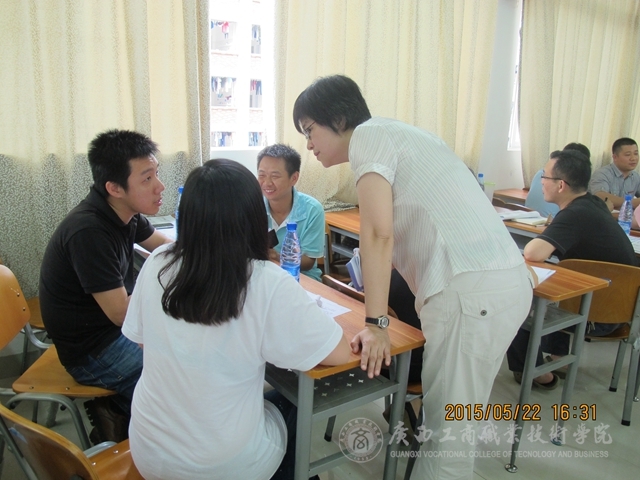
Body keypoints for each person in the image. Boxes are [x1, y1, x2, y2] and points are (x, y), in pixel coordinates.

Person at [293, 75, 533, 480]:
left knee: (446, 438)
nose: (309, 144)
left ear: (338, 119)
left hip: (470, 294)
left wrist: (376, 324)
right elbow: (401, 229)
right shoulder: (401, 134)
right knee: (457, 420)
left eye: (309, 130)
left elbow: (377, 233)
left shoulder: (368, 136)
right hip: (496, 286)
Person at [122, 159, 350, 480]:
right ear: (253, 217)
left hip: (149, 450)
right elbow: (339, 352)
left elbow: (144, 342)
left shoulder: (159, 261)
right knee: (296, 397)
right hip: (222, 466)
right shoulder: (266, 280)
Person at [39, 129, 171, 442]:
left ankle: (120, 408)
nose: (159, 186)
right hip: (92, 351)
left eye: (156, 173)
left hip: (111, 331)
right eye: (147, 178)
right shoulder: (89, 231)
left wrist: (211, 251)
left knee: (182, 352)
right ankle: (118, 413)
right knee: (172, 373)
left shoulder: (125, 212)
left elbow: (165, 247)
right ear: (114, 188)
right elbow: (120, 313)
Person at [507, 149, 638, 387]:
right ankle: (559, 358)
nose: (541, 181)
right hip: (621, 310)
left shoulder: (575, 213)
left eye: (544, 176)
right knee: (558, 285)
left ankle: (533, 372)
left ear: (561, 185)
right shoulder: (592, 204)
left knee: (518, 300)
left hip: (597, 317)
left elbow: (533, 252)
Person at [257, 143, 325, 281]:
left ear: (294, 178)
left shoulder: (312, 210)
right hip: (264, 276)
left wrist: (277, 257)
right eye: (262, 175)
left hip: (301, 278)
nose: (267, 183)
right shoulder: (253, 206)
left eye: (275, 176)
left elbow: (308, 262)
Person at [525, 143, 590, 218]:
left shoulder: (540, 173)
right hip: (548, 220)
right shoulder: (571, 184)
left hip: (527, 216)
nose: (542, 181)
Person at [589, 137, 640, 209]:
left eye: (636, 154)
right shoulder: (602, 174)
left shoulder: (635, 176)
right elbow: (600, 195)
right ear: (615, 157)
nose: (633, 158)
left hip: (625, 215)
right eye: (628, 155)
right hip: (603, 215)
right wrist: (630, 202)